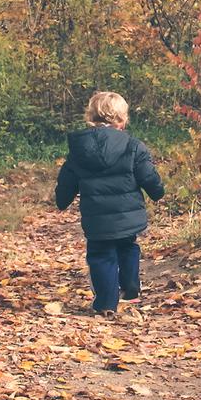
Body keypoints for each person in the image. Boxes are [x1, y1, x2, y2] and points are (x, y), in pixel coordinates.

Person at [55, 91, 165, 315]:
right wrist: (157, 192)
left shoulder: (79, 150)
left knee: (100, 255)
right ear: (122, 120)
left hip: (97, 221)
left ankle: (106, 303)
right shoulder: (133, 146)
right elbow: (148, 176)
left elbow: (67, 181)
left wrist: (62, 200)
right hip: (128, 217)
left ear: (90, 117)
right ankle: (131, 288)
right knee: (128, 246)